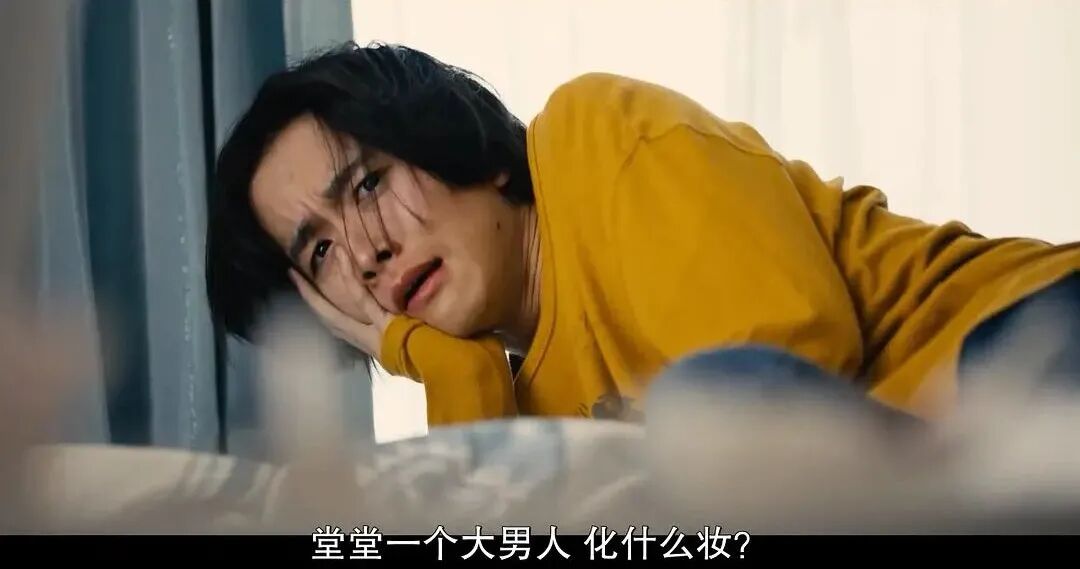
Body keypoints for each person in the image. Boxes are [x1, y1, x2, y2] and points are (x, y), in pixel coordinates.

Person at [206, 42, 1080, 427]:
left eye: (368, 183)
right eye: (319, 251)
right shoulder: (518, 405)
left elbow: (790, 368)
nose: (365, 252)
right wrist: (448, 367)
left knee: (723, 407)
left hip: (1021, 329)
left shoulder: (592, 134)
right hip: (925, 448)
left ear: (459, 144)